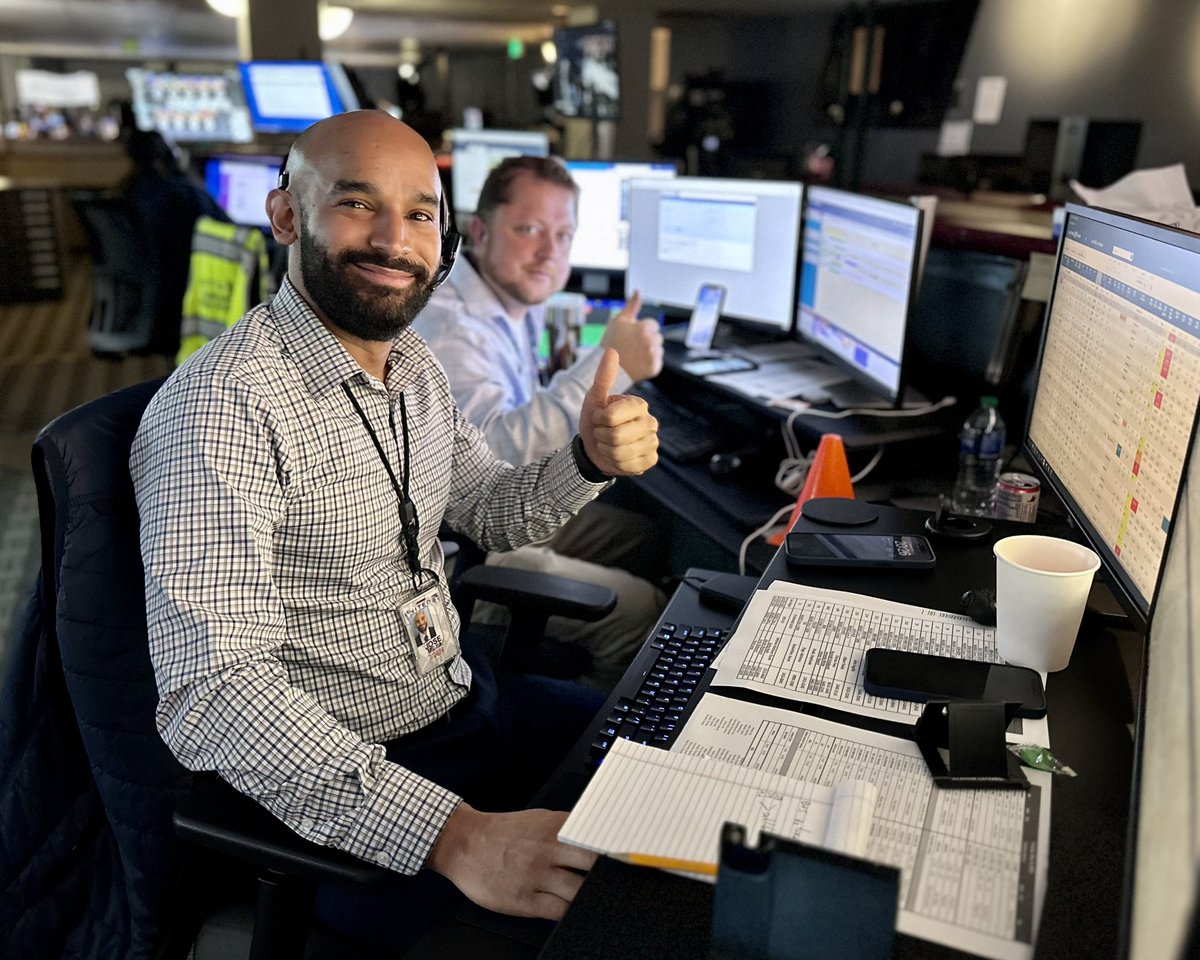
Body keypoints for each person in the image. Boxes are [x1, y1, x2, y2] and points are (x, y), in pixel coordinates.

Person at [130, 110, 659, 948]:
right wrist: (456, 835)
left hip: (456, 703)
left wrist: (587, 461)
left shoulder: (411, 363)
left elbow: (488, 507)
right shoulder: (222, 408)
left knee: (659, 783)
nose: (394, 238)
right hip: (353, 781)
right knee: (595, 930)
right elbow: (213, 694)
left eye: (420, 212)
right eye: (356, 203)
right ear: (287, 215)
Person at [413, 156, 667, 686]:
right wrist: (609, 366)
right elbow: (494, 461)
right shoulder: (452, 325)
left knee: (639, 536)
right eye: (529, 230)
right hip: (457, 551)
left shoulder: (499, 299)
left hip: (487, 518)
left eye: (564, 234)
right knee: (644, 611)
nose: (550, 252)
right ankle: (589, 750)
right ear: (479, 232)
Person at [118, 129, 230, 356]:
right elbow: (230, 229)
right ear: (167, 155)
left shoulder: (128, 190)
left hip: (151, 290)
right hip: (181, 282)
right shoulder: (184, 192)